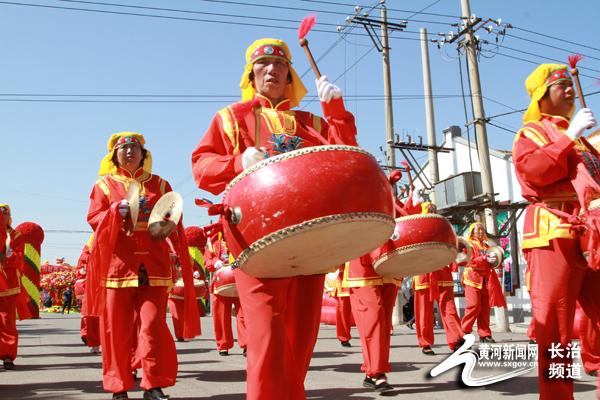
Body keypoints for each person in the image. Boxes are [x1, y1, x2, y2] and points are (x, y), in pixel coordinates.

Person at [191, 38, 357, 399]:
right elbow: (202, 166)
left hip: (310, 239)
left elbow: (345, 155)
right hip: (255, 240)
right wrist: (237, 161)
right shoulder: (230, 118)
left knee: (301, 340)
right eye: (263, 64)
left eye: (279, 65)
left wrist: (336, 109)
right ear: (251, 73)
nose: (271, 70)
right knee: (265, 336)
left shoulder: (311, 122)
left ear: (290, 74)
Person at [86, 132, 200, 400]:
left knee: (153, 326)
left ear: (143, 154)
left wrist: (169, 221)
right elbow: (93, 218)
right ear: (114, 156)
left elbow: (173, 217)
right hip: (118, 267)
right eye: (123, 148)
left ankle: (153, 384)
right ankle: (119, 386)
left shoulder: (160, 184)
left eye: (134, 148)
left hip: (155, 265)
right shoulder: (103, 185)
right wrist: (114, 212)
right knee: (117, 329)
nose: (129, 152)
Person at [512, 63, 600, 400]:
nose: (568, 89)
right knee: (556, 329)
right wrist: (569, 136)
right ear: (542, 96)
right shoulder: (531, 133)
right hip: (554, 229)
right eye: (560, 85)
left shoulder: (582, 142)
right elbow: (536, 172)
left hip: (590, 231)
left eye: (569, 83)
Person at [341, 256, 400, 392]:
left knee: (384, 323)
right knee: (374, 317)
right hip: (362, 258)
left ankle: (372, 372)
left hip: (390, 257)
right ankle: (377, 372)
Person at [204, 233, 246, 356]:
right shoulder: (213, 242)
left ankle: (247, 344)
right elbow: (207, 261)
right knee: (221, 316)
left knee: (244, 316)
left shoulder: (241, 235)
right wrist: (215, 262)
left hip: (240, 279)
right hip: (220, 283)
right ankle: (223, 344)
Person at [0, 204, 31, 370]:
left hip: (8, 285)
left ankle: (7, 355)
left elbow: (19, 259)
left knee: (7, 321)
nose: (3, 216)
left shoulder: (16, 236)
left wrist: (6, 257)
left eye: (6, 214)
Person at [460, 222, 500, 343]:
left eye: (482, 230)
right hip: (472, 278)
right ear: (472, 232)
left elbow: (492, 262)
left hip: (485, 279)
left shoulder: (487, 247)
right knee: (474, 306)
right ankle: (464, 331)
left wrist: (496, 260)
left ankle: (485, 334)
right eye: (478, 230)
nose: (481, 232)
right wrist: (484, 258)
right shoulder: (469, 245)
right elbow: (471, 261)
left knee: (485, 309)